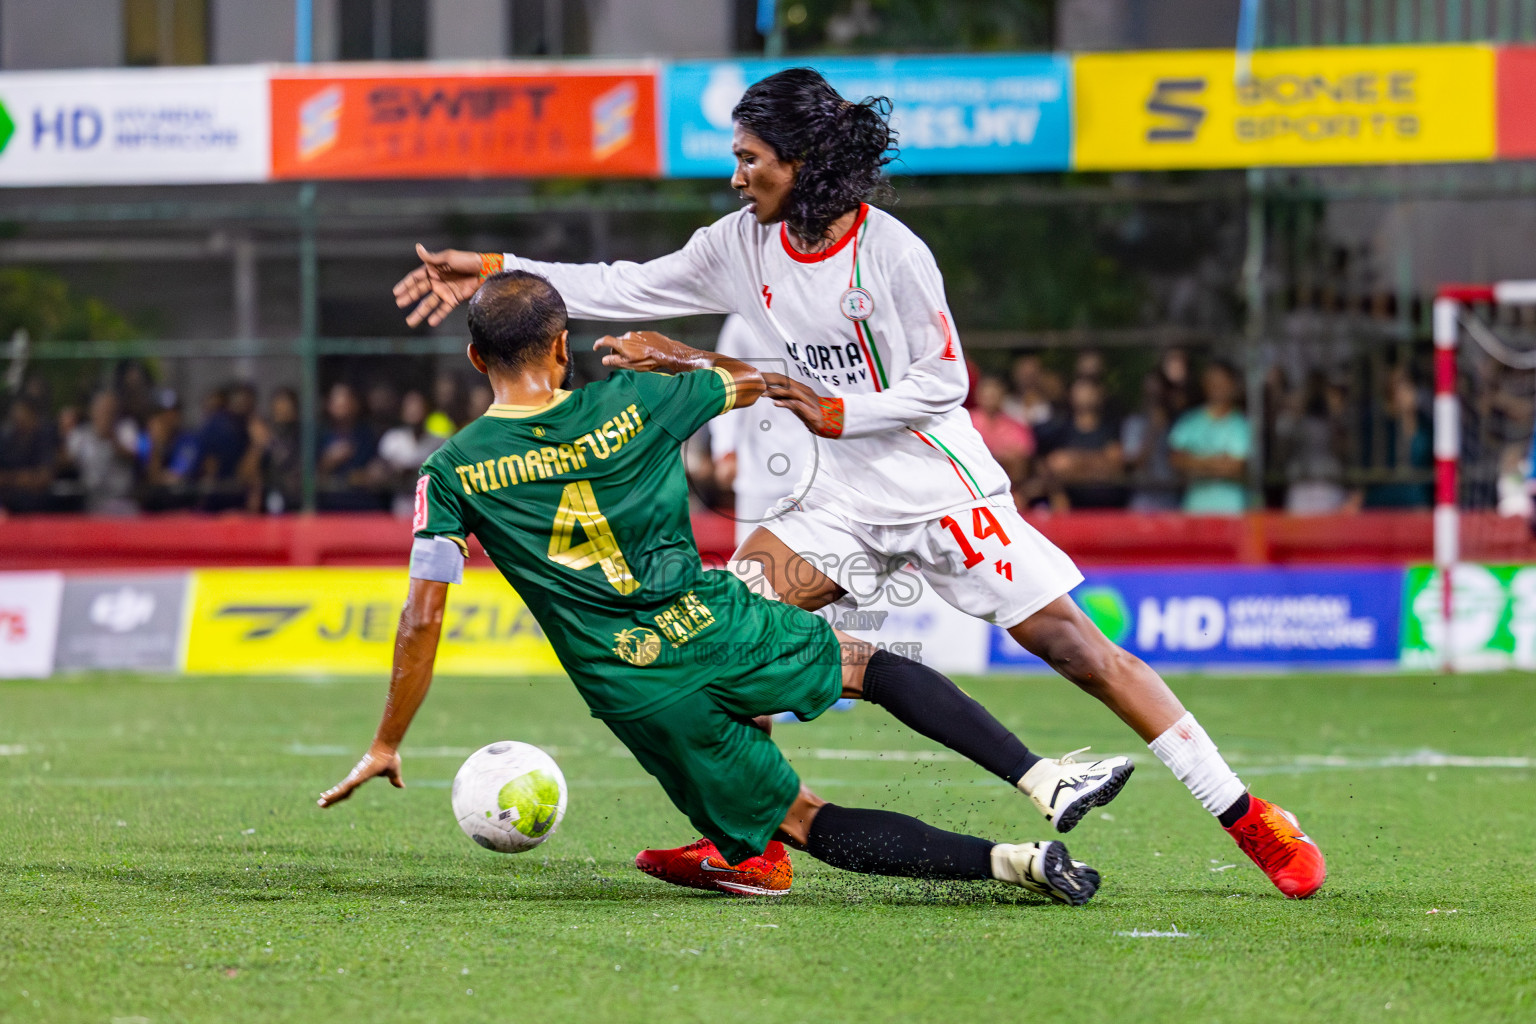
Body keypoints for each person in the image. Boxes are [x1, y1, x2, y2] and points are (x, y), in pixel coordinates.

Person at [390, 69, 1323, 898]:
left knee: (1082, 652)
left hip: (940, 489)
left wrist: (833, 410)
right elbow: (627, 283)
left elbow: (945, 382)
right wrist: (497, 266)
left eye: (750, 157)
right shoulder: (741, 242)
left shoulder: (894, 253)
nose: (736, 174)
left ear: (802, 162)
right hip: (837, 503)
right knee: (712, 646)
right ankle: (746, 847)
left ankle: (1251, 820)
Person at [319, 271, 1114, 904]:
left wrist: (387, 740)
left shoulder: (451, 471)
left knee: (801, 822)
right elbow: (753, 382)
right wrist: (679, 359)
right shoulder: (640, 399)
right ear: (563, 347)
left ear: (473, 358)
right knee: (863, 666)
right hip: (712, 620)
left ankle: (1017, 864)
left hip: (635, 682)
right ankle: (1041, 777)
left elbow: (422, 617)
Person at [709, 314, 816, 547]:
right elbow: (724, 385)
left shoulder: (818, 313)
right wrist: (725, 447)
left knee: (821, 558)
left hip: (817, 462)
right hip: (759, 466)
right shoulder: (743, 320)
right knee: (753, 562)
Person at [1169, 360, 1251, 516]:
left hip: (1232, 512)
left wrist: (1195, 461)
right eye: (1212, 382)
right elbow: (1176, 460)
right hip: (1195, 511)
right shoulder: (1189, 420)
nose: (1217, 387)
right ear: (1204, 384)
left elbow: (1234, 467)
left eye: (1222, 382)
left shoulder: (1242, 425)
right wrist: (1217, 461)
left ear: (1232, 386)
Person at [1037, 375, 1126, 511]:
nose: (1086, 394)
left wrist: (1074, 463)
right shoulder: (1059, 430)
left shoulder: (1111, 429)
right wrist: (1095, 464)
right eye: (1081, 389)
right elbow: (1052, 466)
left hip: (1107, 505)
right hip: (1068, 507)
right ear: (1071, 395)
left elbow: (1115, 464)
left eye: (1091, 389)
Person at [64, 390, 138, 515]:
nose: (106, 414)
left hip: (120, 501)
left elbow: (133, 456)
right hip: (89, 501)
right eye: (102, 410)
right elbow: (66, 462)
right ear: (92, 411)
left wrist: (111, 437)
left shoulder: (126, 430)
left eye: (110, 411)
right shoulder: (80, 434)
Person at [375, 389, 445, 518]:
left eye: (419, 407)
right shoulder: (393, 439)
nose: (414, 411)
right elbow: (379, 472)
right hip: (400, 503)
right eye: (410, 407)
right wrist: (395, 470)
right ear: (403, 411)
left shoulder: (439, 442)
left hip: (431, 505)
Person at [968, 374, 1033, 492]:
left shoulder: (1014, 423)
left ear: (1002, 396)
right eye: (987, 395)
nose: (990, 399)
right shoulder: (967, 420)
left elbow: (1024, 450)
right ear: (978, 396)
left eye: (994, 395)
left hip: (1007, 475)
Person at [0, 397, 56, 513]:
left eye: (22, 414)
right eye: (15, 415)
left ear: (33, 416)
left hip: (38, 507)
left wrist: (11, 478)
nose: (18, 419)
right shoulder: (7, 439)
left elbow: (43, 478)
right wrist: (21, 478)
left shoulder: (44, 438)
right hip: (7, 506)